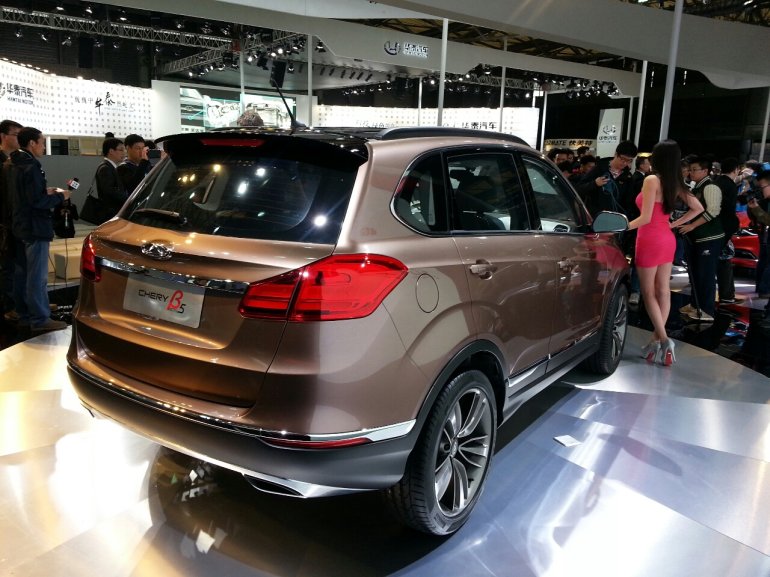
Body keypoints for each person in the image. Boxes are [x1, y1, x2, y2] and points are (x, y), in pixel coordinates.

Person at [627, 140, 703, 366]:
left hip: (649, 239)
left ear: (657, 158)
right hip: (666, 239)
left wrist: (620, 226)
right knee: (663, 292)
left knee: (648, 292)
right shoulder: (675, 182)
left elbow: (645, 218)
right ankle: (655, 339)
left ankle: (664, 339)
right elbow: (698, 208)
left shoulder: (651, 180)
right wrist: (673, 225)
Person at [9, 127, 71, 333]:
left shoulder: (13, 164)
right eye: (42, 142)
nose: (44, 146)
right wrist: (61, 197)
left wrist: (45, 191)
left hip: (20, 225)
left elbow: (26, 196)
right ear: (32, 143)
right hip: (35, 227)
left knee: (23, 273)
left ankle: (26, 314)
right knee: (37, 275)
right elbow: (38, 202)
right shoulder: (31, 166)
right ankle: (40, 318)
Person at [675, 156, 725, 322]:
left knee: (705, 274)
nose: (691, 172)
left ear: (705, 170)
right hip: (698, 238)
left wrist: (692, 225)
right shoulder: (698, 186)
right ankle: (695, 304)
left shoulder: (710, 187)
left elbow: (712, 211)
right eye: (690, 169)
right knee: (696, 273)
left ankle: (707, 309)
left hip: (709, 237)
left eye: (694, 169)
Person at [0, 119, 22, 322]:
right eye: (16, 134)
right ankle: (8, 307)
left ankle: (17, 303)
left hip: (15, 221)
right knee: (6, 265)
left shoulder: (15, 161)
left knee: (16, 264)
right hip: (4, 222)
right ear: (3, 136)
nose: (19, 138)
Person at [714, 157, 741, 304]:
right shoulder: (730, 185)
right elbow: (729, 211)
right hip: (723, 229)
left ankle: (726, 294)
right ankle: (727, 295)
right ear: (735, 169)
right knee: (724, 263)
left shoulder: (716, 182)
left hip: (715, 228)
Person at [748, 170, 770, 301]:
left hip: (765, 233)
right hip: (765, 234)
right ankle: (764, 290)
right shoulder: (764, 200)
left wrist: (756, 208)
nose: (761, 191)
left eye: (762, 187)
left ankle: (763, 289)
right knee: (765, 261)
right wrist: (754, 208)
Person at [95, 137, 127, 218]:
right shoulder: (105, 168)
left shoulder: (110, 167)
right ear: (111, 151)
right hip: (110, 213)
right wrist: (128, 198)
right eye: (121, 150)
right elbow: (110, 191)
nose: (124, 153)